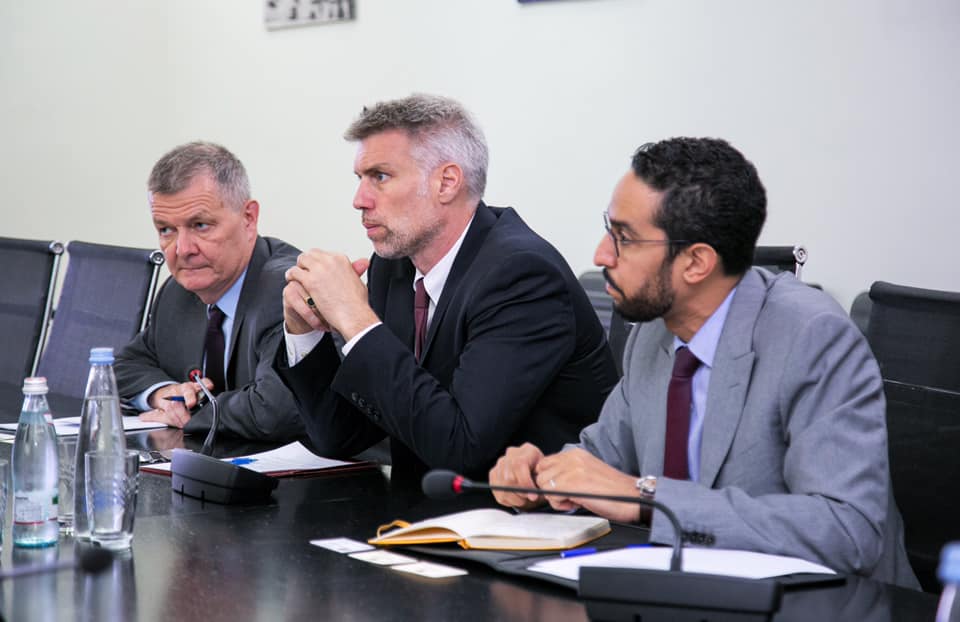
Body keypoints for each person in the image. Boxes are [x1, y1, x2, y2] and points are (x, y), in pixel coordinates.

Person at [490, 138, 918, 587]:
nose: (601, 255)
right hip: (692, 594)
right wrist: (544, 477)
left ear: (696, 262)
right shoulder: (653, 333)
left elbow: (847, 531)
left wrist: (647, 499)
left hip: (830, 604)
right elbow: (604, 458)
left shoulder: (813, 338)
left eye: (625, 238)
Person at [277, 93, 618, 482]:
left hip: (531, 511)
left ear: (447, 182)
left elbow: (461, 449)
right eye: (360, 179)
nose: (359, 200)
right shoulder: (394, 267)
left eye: (380, 177)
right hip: (428, 507)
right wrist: (303, 333)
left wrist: (356, 321)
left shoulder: (522, 276)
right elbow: (342, 436)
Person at [115, 141, 304, 442]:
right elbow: (124, 367)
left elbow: (275, 410)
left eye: (200, 225)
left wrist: (191, 412)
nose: (182, 250)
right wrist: (164, 394)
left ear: (249, 218)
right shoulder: (178, 292)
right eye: (166, 230)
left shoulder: (285, 287)